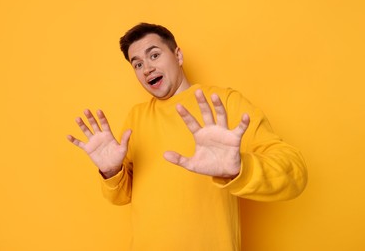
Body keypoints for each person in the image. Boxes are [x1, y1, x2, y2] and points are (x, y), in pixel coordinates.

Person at [67, 23, 307, 251]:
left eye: (154, 55)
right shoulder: (136, 117)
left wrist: (239, 168)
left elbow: (294, 174)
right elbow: (121, 196)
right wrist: (111, 172)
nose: (147, 68)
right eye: (137, 64)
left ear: (178, 56)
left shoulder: (224, 103)